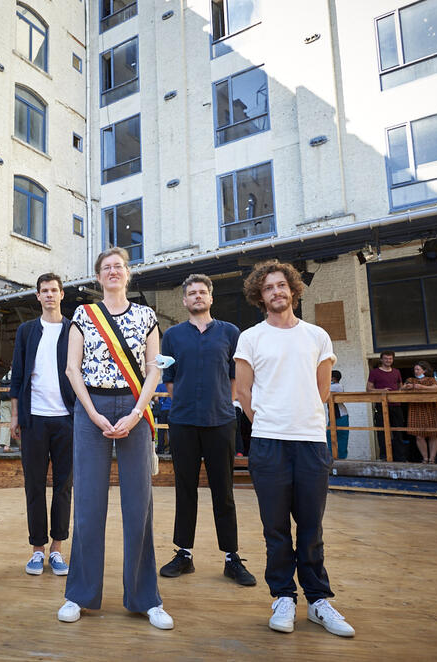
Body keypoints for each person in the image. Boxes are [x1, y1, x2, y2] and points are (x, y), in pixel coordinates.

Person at [234, 260, 354, 638]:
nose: (276, 292)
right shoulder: (250, 338)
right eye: (268, 287)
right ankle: (283, 596)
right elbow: (243, 392)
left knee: (312, 525)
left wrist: (301, 419)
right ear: (260, 295)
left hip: (311, 442)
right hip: (268, 442)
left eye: (281, 285)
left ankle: (318, 600)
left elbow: (322, 390)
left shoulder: (317, 336)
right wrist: (269, 421)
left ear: (293, 290)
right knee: (275, 527)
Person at [58, 247, 173, 631]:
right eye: (106, 267)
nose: (112, 271)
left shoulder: (146, 315)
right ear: (97, 276)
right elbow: (72, 368)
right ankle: (79, 595)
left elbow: (155, 369)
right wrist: (91, 413)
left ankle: (146, 598)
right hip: (91, 405)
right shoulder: (83, 314)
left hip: (134, 406)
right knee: (89, 504)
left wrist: (137, 413)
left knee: (139, 505)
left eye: (118, 266)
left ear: (129, 274)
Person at [158, 273, 256, 587]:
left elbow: (234, 378)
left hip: (221, 422)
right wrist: (191, 405)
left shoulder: (230, 332)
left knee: (223, 492)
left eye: (203, 292)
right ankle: (183, 554)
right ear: (184, 301)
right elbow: (169, 380)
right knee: (184, 490)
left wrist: (218, 404)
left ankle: (231, 558)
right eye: (192, 293)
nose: (198, 297)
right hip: (183, 423)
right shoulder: (172, 335)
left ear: (211, 298)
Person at [9, 273, 75, 577]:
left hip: (67, 419)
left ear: (62, 295)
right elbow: (18, 377)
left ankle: (57, 550)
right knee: (34, 486)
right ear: (38, 296)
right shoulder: (26, 331)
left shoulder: (74, 329)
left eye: (54, 290)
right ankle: (37, 550)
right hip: (33, 419)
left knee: (63, 486)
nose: (49, 295)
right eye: (44, 291)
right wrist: (15, 417)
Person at [366, 350, 407, 461]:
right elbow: (368, 389)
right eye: (386, 358)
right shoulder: (374, 372)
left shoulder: (397, 372)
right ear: (381, 359)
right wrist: (381, 390)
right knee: (382, 431)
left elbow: (400, 386)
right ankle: (384, 456)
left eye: (390, 358)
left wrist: (402, 390)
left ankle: (400, 457)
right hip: (381, 405)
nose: (388, 360)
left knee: (398, 431)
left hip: (396, 405)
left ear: (392, 359)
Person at [401, 361, 437, 463]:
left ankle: (432, 458)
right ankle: (425, 458)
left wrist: (422, 387)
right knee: (419, 435)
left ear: (424, 370)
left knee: (433, 434)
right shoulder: (411, 380)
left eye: (418, 369)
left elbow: (435, 388)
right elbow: (401, 389)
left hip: (430, 408)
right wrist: (406, 387)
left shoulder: (431, 379)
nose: (416, 371)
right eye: (415, 369)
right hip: (416, 408)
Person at [326, 370, 349, 459]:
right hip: (335, 416)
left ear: (333, 378)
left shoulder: (337, 386)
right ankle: (333, 458)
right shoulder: (332, 386)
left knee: (341, 437)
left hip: (340, 416)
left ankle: (341, 459)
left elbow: (321, 389)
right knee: (330, 436)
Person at [152, 382, 171, 454]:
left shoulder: (160, 386)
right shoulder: (175, 385)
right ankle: (171, 450)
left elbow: (156, 399)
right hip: (172, 410)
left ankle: (161, 449)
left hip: (163, 410)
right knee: (171, 430)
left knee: (161, 430)